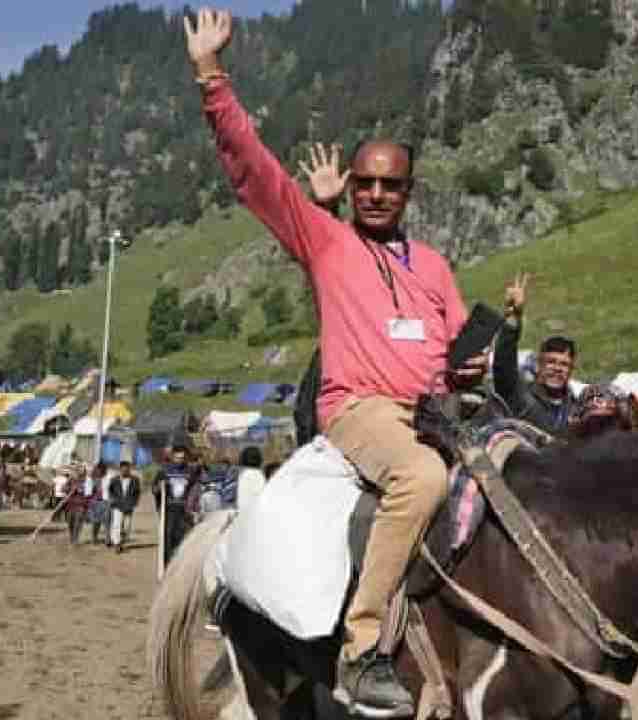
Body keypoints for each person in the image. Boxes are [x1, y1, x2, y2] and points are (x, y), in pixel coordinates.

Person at [186, 9, 486, 715]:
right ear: (351, 187)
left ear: (409, 192)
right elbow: (254, 173)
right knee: (419, 477)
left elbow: (453, 347)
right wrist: (211, 75)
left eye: (392, 185)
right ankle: (362, 649)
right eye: (366, 183)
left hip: (436, 410)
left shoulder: (437, 267)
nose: (378, 193)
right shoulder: (328, 243)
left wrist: (465, 371)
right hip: (361, 409)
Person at [492, 273, 580, 436]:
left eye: (564, 364)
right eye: (551, 362)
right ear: (539, 365)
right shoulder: (519, 396)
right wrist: (513, 319)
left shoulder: (577, 410)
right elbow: (503, 365)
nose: (557, 368)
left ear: (571, 369)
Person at [153, 446, 198, 569]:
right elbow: (155, 489)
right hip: (169, 509)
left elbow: (195, 489)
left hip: (184, 510)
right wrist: (159, 487)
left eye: (183, 458)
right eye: (177, 458)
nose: (180, 460)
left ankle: (180, 565)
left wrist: (193, 507)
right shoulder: (164, 471)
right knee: (168, 538)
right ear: (172, 457)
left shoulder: (190, 472)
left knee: (183, 538)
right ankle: (167, 565)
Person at [107, 461, 141, 554]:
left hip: (129, 506)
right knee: (116, 525)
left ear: (129, 469)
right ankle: (117, 544)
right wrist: (112, 500)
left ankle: (122, 542)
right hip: (117, 505)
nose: (125, 471)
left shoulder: (135, 480)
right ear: (120, 469)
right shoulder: (114, 479)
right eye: (123, 470)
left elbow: (137, 492)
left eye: (127, 469)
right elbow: (110, 490)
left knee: (127, 527)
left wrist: (135, 502)